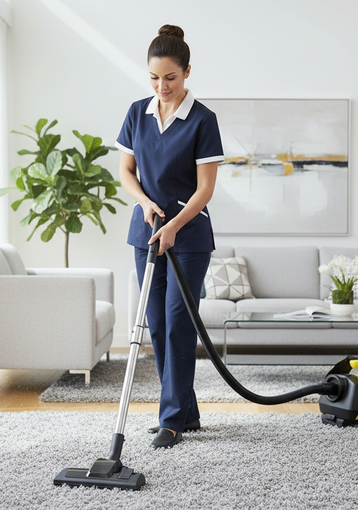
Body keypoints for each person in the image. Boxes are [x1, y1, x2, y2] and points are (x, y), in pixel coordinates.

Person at [116, 25, 224, 449]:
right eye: (154, 79)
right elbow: (126, 172)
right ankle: (184, 411)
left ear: (187, 72)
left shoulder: (202, 120)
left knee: (180, 322)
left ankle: (172, 418)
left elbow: (205, 189)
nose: (162, 87)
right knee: (157, 325)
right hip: (145, 232)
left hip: (189, 237)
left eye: (171, 78)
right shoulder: (136, 113)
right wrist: (143, 203)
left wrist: (174, 225)